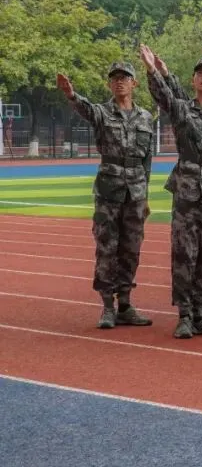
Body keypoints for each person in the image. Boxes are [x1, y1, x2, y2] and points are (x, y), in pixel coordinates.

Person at [140, 46, 202, 338]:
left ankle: (201, 313)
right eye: (200, 74)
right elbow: (163, 97)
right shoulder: (183, 109)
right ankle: (184, 315)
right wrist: (152, 70)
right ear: (193, 81)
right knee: (184, 255)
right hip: (188, 192)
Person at [57, 62, 154, 329]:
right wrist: (71, 95)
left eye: (125, 77)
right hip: (109, 192)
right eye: (115, 78)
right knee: (106, 249)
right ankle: (108, 307)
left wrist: (145, 195)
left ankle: (125, 304)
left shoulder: (146, 118)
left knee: (131, 249)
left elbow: (147, 160)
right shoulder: (102, 112)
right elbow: (85, 109)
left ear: (134, 83)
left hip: (135, 192)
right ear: (109, 84)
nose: (120, 81)